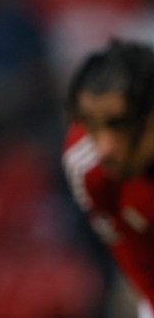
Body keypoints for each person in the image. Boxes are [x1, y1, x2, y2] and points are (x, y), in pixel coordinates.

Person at [62, 38, 154, 318]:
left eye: (118, 124)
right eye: (90, 124)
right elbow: (139, 262)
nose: (103, 148)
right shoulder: (88, 170)